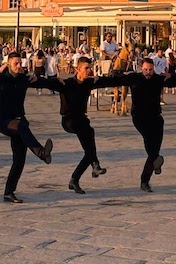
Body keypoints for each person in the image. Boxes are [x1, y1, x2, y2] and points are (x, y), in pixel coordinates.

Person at [116, 58, 176, 191]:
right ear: (141, 69)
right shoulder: (134, 78)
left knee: (154, 150)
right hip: (139, 118)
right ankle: (155, 162)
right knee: (151, 146)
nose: (148, 72)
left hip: (156, 118)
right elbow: (114, 80)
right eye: (145, 70)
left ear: (153, 69)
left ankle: (145, 180)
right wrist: (96, 80)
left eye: (150, 70)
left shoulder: (158, 79)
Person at [51, 56, 124, 194]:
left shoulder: (89, 82)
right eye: (86, 68)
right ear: (77, 69)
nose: (89, 71)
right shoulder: (66, 83)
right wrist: (52, 80)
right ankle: (95, 165)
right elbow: (45, 83)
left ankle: (76, 178)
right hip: (69, 121)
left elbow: (109, 80)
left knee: (89, 151)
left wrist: (125, 76)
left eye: (90, 68)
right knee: (88, 131)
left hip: (82, 119)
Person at [0, 52, 54, 203]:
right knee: (21, 126)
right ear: (8, 64)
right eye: (16, 64)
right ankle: (40, 152)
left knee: (19, 159)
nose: (19, 66)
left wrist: (41, 78)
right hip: (4, 121)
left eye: (20, 63)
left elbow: (46, 83)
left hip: (20, 122)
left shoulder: (24, 79)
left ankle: (9, 192)